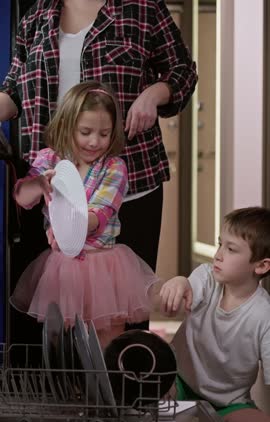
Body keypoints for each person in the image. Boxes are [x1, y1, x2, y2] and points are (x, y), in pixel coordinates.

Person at [0, 0, 197, 333]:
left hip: (130, 178)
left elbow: (182, 72)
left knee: (119, 316)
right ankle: (56, 387)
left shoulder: (143, 9)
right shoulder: (36, 16)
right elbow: (13, 90)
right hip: (54, 185)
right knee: (53, 317)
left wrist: (153, 94)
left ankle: (117, 385)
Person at [9, 80, 161, 349]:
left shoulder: (114, 167)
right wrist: (38, 184)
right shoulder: (49, 160)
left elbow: (100, 214)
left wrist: (69, 228)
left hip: (105, 266)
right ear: (68, 126)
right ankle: (68, 390)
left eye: (104, 134)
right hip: (62, 267)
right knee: (61, 345)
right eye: (86, 131)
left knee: (106, 340)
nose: (95, 141)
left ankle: (103, 391)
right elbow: (22, 198)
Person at [159, 206, 270, 422]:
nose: (218, 255)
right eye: (220, 244)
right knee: (138, 409)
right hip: (178, 383)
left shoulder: (264, 315)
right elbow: (189, 285)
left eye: (231, 249)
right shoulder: (207, 278)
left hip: (229, 405)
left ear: (262, 265)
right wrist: (178, 282)